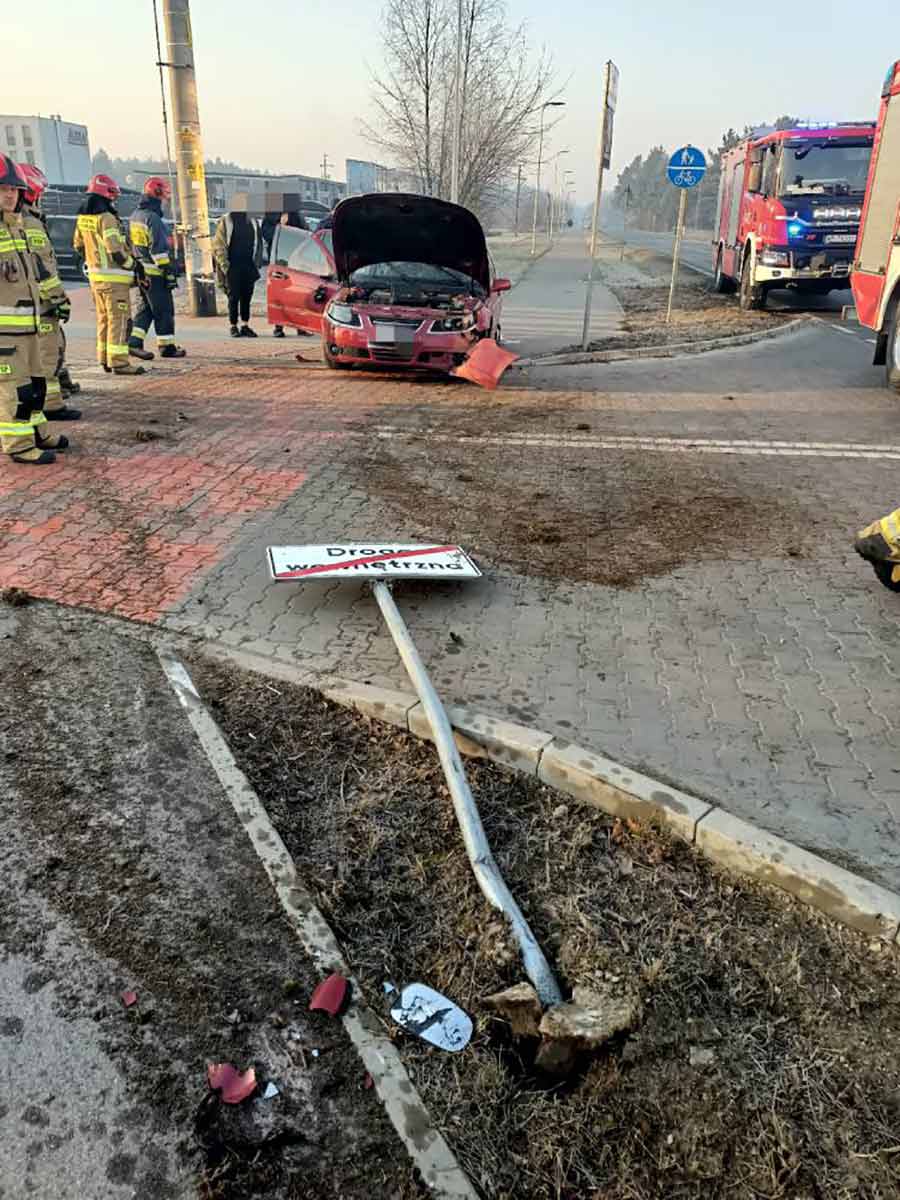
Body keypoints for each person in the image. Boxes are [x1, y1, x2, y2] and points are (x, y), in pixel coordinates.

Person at [0, 154, 64, 465]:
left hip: (30, 326)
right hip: (5, 334)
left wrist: (56, 299)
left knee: (36, 386)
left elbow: (37, 272)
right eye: (2, 190)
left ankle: (38, 433)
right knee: (14, 392)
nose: (10, 195)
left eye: (13, 189)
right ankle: (19, 445)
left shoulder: (19, 227)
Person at [18, 163, 81, 423]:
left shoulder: (20, 221)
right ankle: (48, 406)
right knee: (47, 354)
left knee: (48, 352)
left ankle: (51, 402)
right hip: (41, 304)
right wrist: (58, 299)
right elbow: (43, 268)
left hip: (29, 303)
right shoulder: (30, 223)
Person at [74, 173, 146, 376]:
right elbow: (115, 249)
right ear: (106, 195)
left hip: (96, 280)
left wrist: (94, 261)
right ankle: (120, 362)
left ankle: (104, 358)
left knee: (104, 319)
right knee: (120, 320)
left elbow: (78, 245)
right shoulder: (106, 219)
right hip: (114, 281)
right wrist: (133, 266)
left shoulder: (83, 219)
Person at [128, 177, 185, 361]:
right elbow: (158, 249)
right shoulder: (153, 219)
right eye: (164, 197)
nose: (165, 202)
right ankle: (166, 346)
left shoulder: (136, 216)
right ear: (157, 196)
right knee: (164, 311)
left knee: (146, 310)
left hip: (142, 272)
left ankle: (134, 343)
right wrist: (169, 270)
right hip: (155, 274)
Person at [212, 206, 262, 337]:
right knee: (233, 296)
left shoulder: (252, 221)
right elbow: (219, 244)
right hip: (232, 265)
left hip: (248, 264)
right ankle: (233, 326)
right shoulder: (227, 220)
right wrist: (225, 265)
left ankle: (245, 325)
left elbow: (259, 242)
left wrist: (257, 263)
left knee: (247, 296)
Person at [271, 210, 309, 338]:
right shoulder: (273, 214)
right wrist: (280, 225)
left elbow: (307, 235)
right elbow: (268, 234)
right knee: (279, 296)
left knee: (297, 295)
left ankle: (300, 327)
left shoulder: (298, 215)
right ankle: (278, 327)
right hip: (280, 259)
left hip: (297, 260)